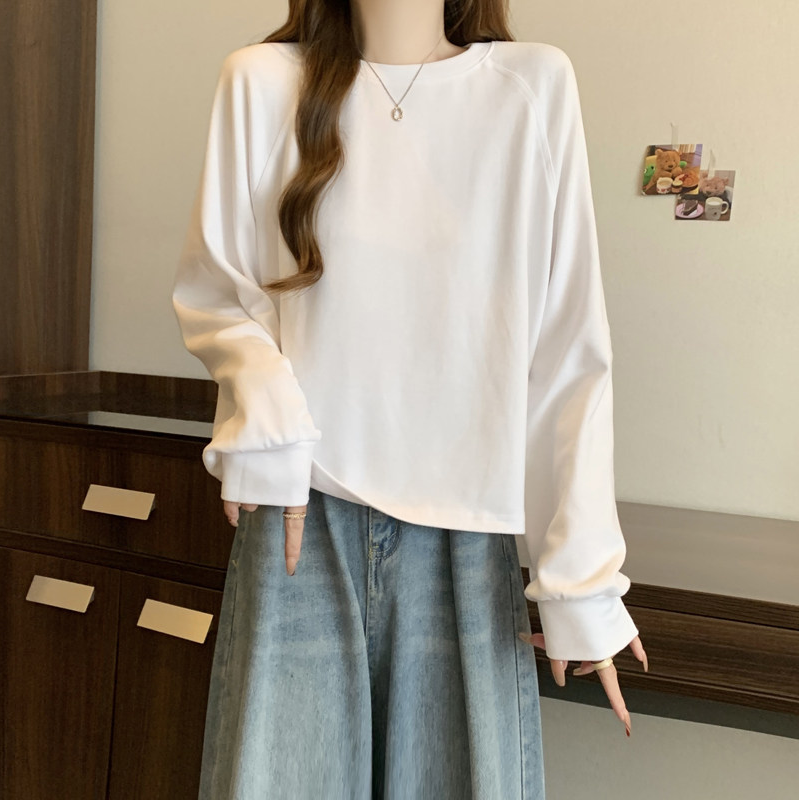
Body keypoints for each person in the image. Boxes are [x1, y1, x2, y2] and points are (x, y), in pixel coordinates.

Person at [172, 0, 649, 797]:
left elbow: (568, 353)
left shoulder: (532, 86)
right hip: (300, 523)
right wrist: (272, 432)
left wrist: (582, 581)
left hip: (467, 536)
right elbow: (218, 295)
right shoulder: (260, 82)